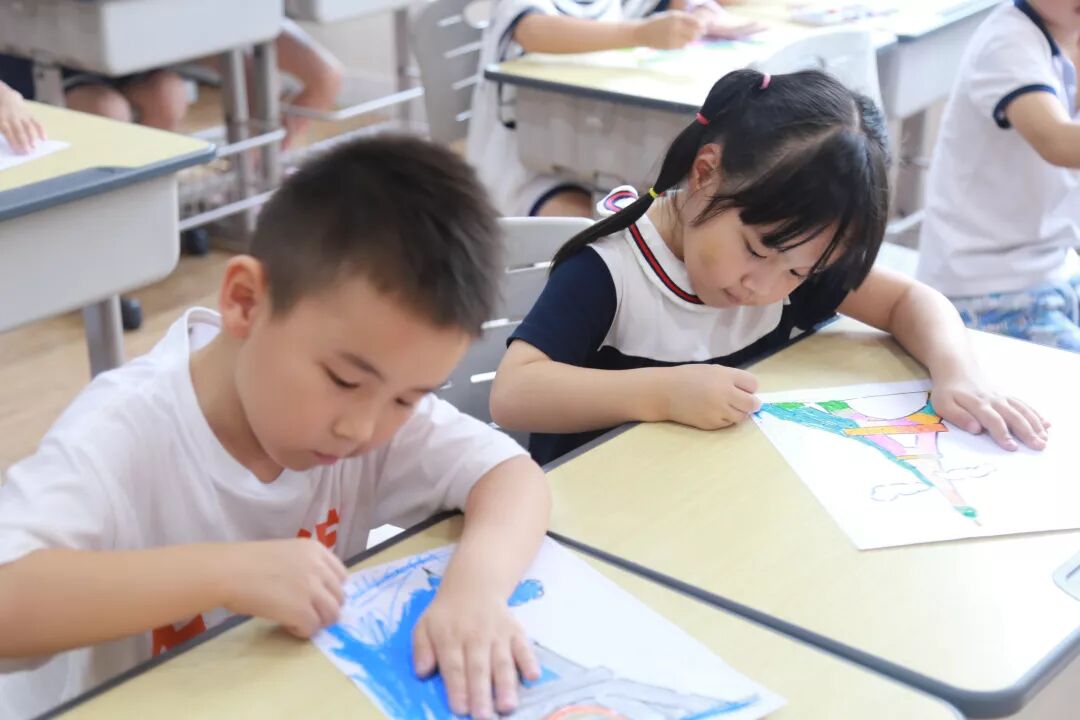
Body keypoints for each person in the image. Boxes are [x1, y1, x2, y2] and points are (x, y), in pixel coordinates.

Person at [0, 135, 551, 720]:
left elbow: (510, 475)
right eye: (343, 380)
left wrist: (474, 591)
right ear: (245, 302)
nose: (362, 428)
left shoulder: (370, 396)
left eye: (407, 399)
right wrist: (226, 573)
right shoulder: (124, 430)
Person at [490, 69, 1050, 465]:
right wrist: (663, 393)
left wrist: (958, 373)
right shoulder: (611, 270)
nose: (764, 287)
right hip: (602, 512)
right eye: (756, 251)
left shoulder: (791, 259)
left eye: (799, 273)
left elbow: (910, 301)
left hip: (719, 497)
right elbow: (514, 393)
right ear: (705, 174)